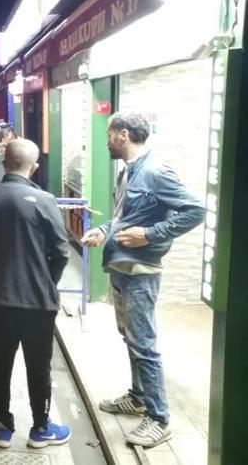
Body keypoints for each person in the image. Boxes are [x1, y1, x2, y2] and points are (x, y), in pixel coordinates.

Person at [81, 112, 205, 448]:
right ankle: (138, 398)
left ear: (122, 134)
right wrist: (103, 230)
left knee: (144, 344)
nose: (107, 141)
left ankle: (159, 419)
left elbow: (195, 210)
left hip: (140, 273)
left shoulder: (155, 171)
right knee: (131, 338)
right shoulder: (128, 171)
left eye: (109, 134)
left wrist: (149, 235)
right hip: (122, 268)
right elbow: (124, 217)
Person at [0, 138, 71, 450]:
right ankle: (41, 428)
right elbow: (61, 252)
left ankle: (4, 425)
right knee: (39, 366)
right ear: (33, 168)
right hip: (38, 303)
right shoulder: (45, 200)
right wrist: (47, 281)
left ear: (3, 163)